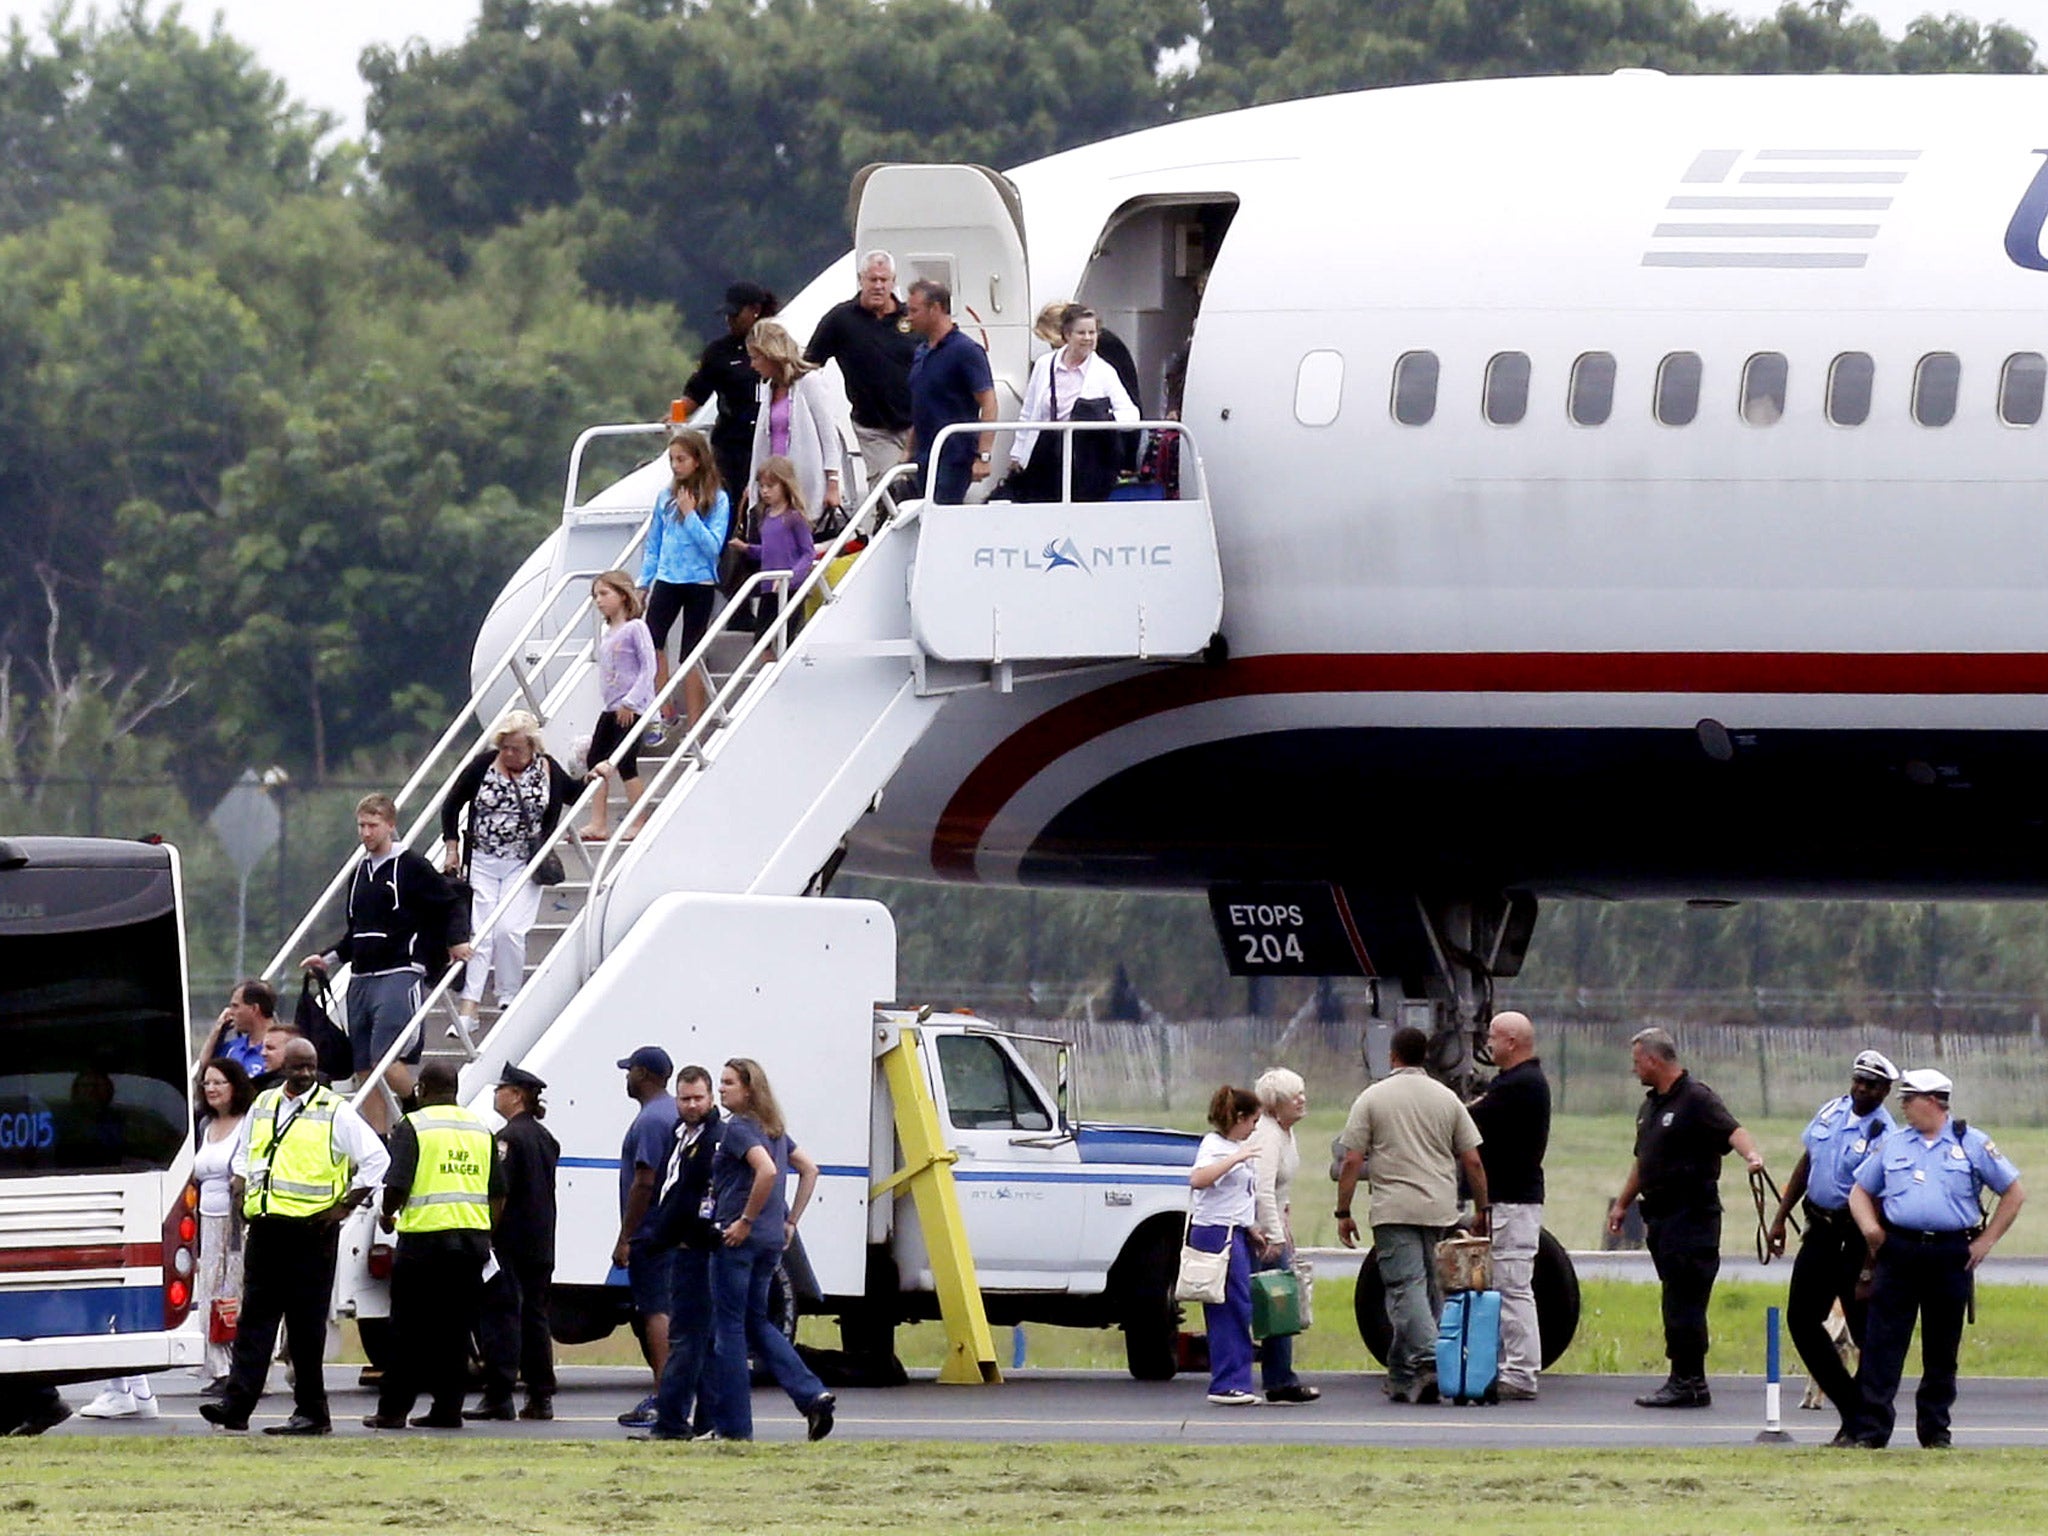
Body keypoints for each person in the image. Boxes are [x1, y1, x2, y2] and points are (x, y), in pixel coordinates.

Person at [201, 1037, 389, 1435]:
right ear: (284, 1066)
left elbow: (377, 1159)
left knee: (305, 1327)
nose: (304, 1073)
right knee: (255, 1320)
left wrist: (344, 1206)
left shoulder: (334, 1110)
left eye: (310, 1066)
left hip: (311, 1231)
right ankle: (236, 1406)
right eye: (298, 1066)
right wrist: (241, 1184)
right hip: (267, 1227)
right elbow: (246, 1151)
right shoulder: (265, 1103)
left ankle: (312, 1411)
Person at [1837, 1068, 2026, 1449]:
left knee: (1942, 1346)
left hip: (1949, 1252)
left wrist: (1985, 1242)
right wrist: (1872, 1231)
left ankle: (1935, 1430)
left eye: (1910, 1099)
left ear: (1934, 1102)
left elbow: (2014, 1193)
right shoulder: (1894, 1144)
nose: (1903, 1107)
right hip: (1899, 1251)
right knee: (1883, 1343)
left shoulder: (1971, 1143)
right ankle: (1873, 1431)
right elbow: (1860, 1190)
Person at [1607, 1025, 1766, 1409]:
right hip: (1660, 1218)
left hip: (1692, 1216)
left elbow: (1733, 1130)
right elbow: (1642, 1161)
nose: (1634, 1070)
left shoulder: (1696, 1098)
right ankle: (1682, 1377)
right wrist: (1622, 1204)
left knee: (1686, 1300)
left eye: (1637, 1062)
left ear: (1653, 1060)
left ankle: (1691, 1381)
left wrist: (1753, 1157)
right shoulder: (1651, 1107)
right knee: (1674, 1298)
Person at [301, 793, 471, 1136]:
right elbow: (356, 931)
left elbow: (449, 903)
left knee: (384, 1058)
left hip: (399, 970)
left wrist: (457, 940)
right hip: (362, 975)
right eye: (361, 826)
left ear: (390, 825)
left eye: (373, 825)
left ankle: (419, 1110)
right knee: (363, 1067)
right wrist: (329, 958)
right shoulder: (360, 872)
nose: (366, 833)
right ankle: (378, 1139)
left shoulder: (411, 865)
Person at [1335, 1024, 1488, 1405]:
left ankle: (1432, 1360)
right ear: (1426, 1057)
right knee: (1429, 1292)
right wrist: (1483, 1206)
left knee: (1405, 1291)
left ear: (1392, 1056)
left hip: (1394, 1208)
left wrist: (1343, 1209)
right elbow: (1472, 1159)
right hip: (1439, 1208)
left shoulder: (1373, 1098)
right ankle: (1403, 1378)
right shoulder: (1447, 1099)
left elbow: (1352, 1158)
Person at [363, 1061, 501, 1431]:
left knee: (408, 1331)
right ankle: (448, 1409)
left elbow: (397, 1184)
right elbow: (498, 1192)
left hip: (424, 1244)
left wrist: (387, 1215)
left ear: (422, 1089)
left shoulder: (414, 1127)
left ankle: (393, 1410)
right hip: (471, 1244)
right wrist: (486, 1230)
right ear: (454, 1089)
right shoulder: (480, 1129)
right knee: (455, 1333)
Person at [703, 1056, 834, 1442]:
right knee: (756, 1322)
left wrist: (744, 1220)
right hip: (770, 1243)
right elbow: (809, 1169)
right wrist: (789, 1221)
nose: (722, 1088)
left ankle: (733, 1427)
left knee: (728, 1330)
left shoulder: (739, 1129)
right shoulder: (774, 1130)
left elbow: (768, 1171)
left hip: (737, 1240)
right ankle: (811, 1395)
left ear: (748, 1089)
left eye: (728, 1082)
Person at [1766, 1049, 1900, 1416]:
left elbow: (1881, 1200)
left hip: (1854, 1237)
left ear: (1886, 1091)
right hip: (1819, 1230)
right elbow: (1808, 1161)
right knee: (1801, 1319)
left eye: (1871, 1085)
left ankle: (1872, 1410)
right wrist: (1780, 1217)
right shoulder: (1832, 1110)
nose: (1861, 1089)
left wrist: (1870, 1265)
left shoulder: (1884, 1134)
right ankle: (1849, 1401)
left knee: (1862, 1329)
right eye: (1857, 1080)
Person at [439, 713, 578, 1023]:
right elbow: (451, 804)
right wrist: (452, 846)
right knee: (481, 935)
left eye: (516, 748)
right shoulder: (483, 765)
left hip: (524, 863)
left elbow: (574, 792)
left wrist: (596, 770)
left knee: (510, 930)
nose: (509, 754)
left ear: (532, 747)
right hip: (483, 861)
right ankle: (469, 1006)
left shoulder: (547, 769)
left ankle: (508, 993)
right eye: (504, 747)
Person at [633, 1064, 724, 1441]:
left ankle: (672, 1421)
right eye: (684, 1099)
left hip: (696, 1247)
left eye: (697, 1098)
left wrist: (662, 1234)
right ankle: (705, 1421)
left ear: (711, 1098)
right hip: (676, 1243)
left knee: (688, 1340)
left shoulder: (715, 1139)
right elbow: (668, 1187)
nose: (690, 1105)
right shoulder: (679, 1133)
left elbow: (692, 1197)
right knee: (698, 1340)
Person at [1466, 1010, 1551, 1401]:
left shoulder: (1521, 1086)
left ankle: (1520, 1373)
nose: (1488, 1043)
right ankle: (1510, 1364)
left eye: (1494, 1037)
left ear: (1512, 1042)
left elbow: (1468, 1119)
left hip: (1514, 1201)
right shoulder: (1514, 1083)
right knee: (1506, 1285)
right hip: (1510, 1198)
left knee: (1514, 1287)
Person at [470, 1064, 560, 1421]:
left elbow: (500, 1194)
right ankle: (540, 1395)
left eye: (501, 1089)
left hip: (510, 1242)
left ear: (516, 1095)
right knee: (536, 1318)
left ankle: (499, 1393)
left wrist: (486, 1233)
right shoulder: (544, 1137)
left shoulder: (508, 1139)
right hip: (541, 1241)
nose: (496, 1095)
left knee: (502, 1317)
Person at [636, 427, 730, 732]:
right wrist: (644, 583)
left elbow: (713, 547)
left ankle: (696, 721)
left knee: (690, 652)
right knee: (652, 642)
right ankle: (665, 709)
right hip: (668, 577)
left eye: (682, 459)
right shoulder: (666, 497)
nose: (676, 466)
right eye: (672, 460)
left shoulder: (718, 499)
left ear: (697, 460)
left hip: (699, 581)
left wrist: (691, 515)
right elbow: (655, 543)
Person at [805, 250, 920, 489]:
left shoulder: (912, 318)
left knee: (921, 489)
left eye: (883, 280)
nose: (878, 286)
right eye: (872, 279)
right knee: (890, 490)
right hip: (875, 428)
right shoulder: (841, 319)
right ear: (861, 280)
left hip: (917, 423)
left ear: (893, 282)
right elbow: (810, 364)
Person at [1005, 304, 1139, 502]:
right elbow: (1029, 412)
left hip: (1087, 460)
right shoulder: (1044, 364)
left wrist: (1104, 417)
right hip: (1045, 456)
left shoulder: (1105, 371)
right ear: (1067, 335)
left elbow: (1132, 415)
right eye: (1081, 333)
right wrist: (1018, 454)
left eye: (1092, 332)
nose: (1088, 338)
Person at [613, 1045, 680, 1429]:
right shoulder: (669, 1112)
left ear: (643, 1074)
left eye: (629, 1070)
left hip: (652, 1233)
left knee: (655, 1311)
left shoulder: (653, 1120)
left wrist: (626, 1235)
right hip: (665, 1230)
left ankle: (664, 1398)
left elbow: (644, 1180)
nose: (626, 1077)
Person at [1188, 1083, 1268, 1407]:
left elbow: (1236, 1197)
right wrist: (1235, 1159)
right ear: (1238, 1117)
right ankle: (1226, 1382)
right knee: (1230, 1309)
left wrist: (1252, 1227)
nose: (1254, 1128)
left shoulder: (1232, 1147)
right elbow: (1198, 1179)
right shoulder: (1215, 1146)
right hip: (1216, 1233)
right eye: (1252, 1121)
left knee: (1240, 1305)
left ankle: (1238, 1379)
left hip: (1235, 1230)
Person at [1247, 1067, 1318, 1404]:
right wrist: (1274, 1237)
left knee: (1280, 1304)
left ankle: (1279, 1377)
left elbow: (1281, 1191)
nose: (1302, 1100)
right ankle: (1278, 1379)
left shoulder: (1286, 1133)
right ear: (1275, 1104)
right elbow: (1261, 1190)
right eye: (1294, 1095)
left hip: (1276, 1224)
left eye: (1302, 1092)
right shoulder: (1268, 1134)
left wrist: (1286, 1229)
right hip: (1260, 1233)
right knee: (1276, 1303)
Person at [677, 281, 778, 508]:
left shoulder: (777, 347)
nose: (730, 320)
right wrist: (675, 416)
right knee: (729, 503)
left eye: (736, 314)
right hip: (732, 445)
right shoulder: (718, 353)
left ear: (755, 310)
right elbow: (697, 391)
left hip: (770, 440)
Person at [745, 319, 848, 527]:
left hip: (803, 480)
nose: (752, 365)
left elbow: (829, 436)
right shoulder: (769, 388)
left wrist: (833, 484)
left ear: (771, 354)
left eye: (756, 358)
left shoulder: (809, 382)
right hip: (774, 483)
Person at [191, 1058, 254, 1397]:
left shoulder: (247, 1125)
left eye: (219, 1083)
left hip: (235, 1225)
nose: (212, 1089)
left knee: (233, 1297)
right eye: (207, 1083)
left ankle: (239, 1368)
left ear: (235, 1086)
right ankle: (218, 1368)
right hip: (207, 1222)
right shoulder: (204, 1126)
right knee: (208, 1297)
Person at [903, 279, 997, 504]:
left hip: (954, 454)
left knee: (942, 512)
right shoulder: (922, 352)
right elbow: (923, 404)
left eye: (914, 310)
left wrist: (983, 455)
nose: (909, 317)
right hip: (925, 453)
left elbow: (989, 403)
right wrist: (909, 449)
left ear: (935, 309)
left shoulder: (966, 351)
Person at [581, 571, 656, 840]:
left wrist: (632, 701)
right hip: (611, 707)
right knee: (595, 760)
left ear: (623, 596)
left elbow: (649, 667)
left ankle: (640, 819)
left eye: (604, 594)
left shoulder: (636, 628)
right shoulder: (607, 632)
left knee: (625, 761)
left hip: (631, 706)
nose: (599, 601)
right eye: (596, 595)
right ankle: (598, 821)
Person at [729, 457, 816, 645]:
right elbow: (769, 551)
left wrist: (792, 576)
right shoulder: (766, 516)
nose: (765, 491)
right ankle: (772, 670)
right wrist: (747, 549)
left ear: (785, 485)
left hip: (789, 588)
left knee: (787, 637)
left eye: (770, 486)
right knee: (762, 641)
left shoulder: (794, 517)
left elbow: (808, 552)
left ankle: (780, 671)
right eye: (762, 487)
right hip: (769, 587)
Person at [197, 979, 274, 1080]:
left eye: (235, 1006)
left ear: (254, 1008)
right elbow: (204, 1065)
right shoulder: (232, 1048)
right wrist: (217, 1030)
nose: (229, 1012)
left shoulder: (278, 1049)